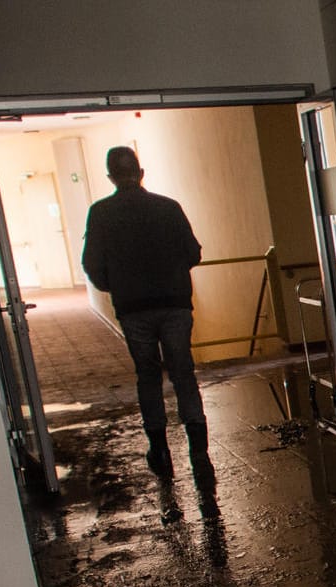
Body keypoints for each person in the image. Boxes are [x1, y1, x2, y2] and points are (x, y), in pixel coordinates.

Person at [81, 146, 215, 503]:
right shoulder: (168, 208)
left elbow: (92, 264)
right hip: (173, 304)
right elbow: (193, 253)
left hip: (134, 308)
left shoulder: (101, 214)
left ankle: (159, 449)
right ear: (142, 173)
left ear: (110, 177)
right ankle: (198, 446)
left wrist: (118, 286)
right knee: (183, 372)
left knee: (148, 375)